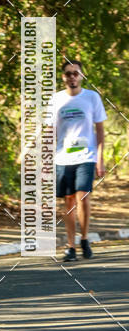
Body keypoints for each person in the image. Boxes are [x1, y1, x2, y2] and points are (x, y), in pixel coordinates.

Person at [55, 60, 106, 261]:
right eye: (68, 73)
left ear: (81, 76)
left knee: (82, 196)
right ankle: (71, 246)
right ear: (63, 77)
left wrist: (100, 159)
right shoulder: (56, 100)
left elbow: (100, 130)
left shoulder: (92, 98)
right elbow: (51, 131)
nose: (72, 76)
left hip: (87, 156)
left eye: (76, 73)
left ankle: (84, 238)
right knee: (68, 201)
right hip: (62, 157)